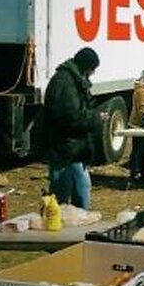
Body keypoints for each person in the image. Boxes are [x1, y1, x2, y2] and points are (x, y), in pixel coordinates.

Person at [41, 47, 105, 209]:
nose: (93, 73)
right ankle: (57, 225)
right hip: (63, 148)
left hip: (75, 148)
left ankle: (79, 220)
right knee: (61, 193)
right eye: (92, 69)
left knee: (82, 189)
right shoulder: (65, 82)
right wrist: (96, 117)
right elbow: (71, 117)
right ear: (86, 67)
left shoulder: (71, 80)